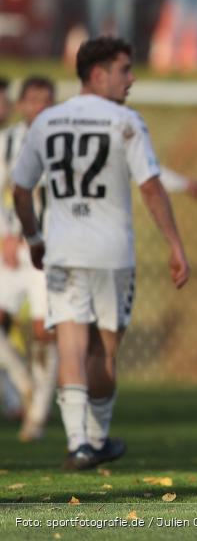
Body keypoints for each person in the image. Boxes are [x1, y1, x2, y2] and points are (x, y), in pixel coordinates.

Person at [12, 37, 190, 470]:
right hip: (111, 253)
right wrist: (174, 244)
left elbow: (21, 190)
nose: (131, 79)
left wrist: (34, 241)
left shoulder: (47, 121)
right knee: (104, 351)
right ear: (97, 74)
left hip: (61, 250)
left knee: (71, 345)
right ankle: (97, 436)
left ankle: (78, 444)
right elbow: (150, 187)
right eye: (124, 70)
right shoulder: (125, 121)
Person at [1, 76, 58, 442]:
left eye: (45, 101)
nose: (37, 107)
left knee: (42, 331)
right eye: (31, 100)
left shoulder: (62, 142)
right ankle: (24, 386)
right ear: (20, 104)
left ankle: (36, 416)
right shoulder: (5, 142)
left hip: (46, 249)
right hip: (8, 247)